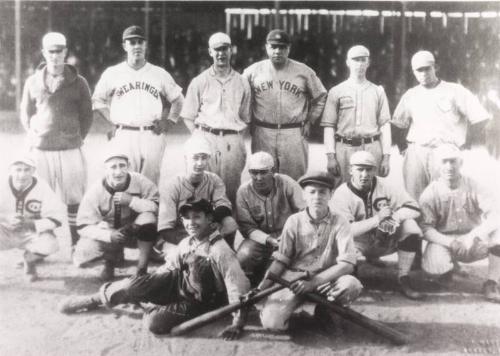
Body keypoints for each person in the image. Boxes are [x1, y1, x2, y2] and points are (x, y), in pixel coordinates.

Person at [59, 199, 251, 340]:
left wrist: (237, 323)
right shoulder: (188, 241)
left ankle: (150, 306)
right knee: (133, 286)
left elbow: (237, 286)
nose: (191, 222)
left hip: (201, 300)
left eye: (197, 217)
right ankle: (95, 299)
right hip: (178, 283)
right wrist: (147, 286)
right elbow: (169, 267)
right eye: (186, 218)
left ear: (209, 219)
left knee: (154, 323)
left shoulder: (220, 250)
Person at [257, 171, 362, 331]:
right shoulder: (294, 221)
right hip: (294, 281)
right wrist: (261, 289)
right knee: (272, 324)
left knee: (351, 285)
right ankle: (293, 314)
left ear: (331, 195)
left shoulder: (341, 222)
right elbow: (281, 260)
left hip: (326, 280)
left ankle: (324, 311)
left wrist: (314, 282)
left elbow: (347, 265)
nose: (317, 197)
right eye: (312, 192)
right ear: (304, 195)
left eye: (323, 192)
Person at [20, 32, 92, 249]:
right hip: (41, 150)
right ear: (44, 53)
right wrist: (33, 133)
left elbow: (87, 115)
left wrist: (76, 136)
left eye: (59, 51)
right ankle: (40, 245)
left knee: (74, 198)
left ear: (66, 52)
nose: (55, 55)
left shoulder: (79, 82)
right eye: (50, 51)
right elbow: (25, 113)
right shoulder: (32, 81)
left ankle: (75, 244)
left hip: (70, 148)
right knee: (40, 198)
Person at [391, 50, 491, 200]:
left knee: (444, 198)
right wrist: (403, 148)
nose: (423, 73)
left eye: (427, 69)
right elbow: (397, 123)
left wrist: (466, 142)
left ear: (435, 67)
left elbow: (480, 118)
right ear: (413, 72)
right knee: (413, 199)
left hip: (445, 151)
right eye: (419, 70)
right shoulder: (411, 95)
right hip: (417, 152)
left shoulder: (455, 90)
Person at [92, 25, 184, 185]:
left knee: (150, 183)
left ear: (146, 45)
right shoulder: (112, 72)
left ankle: (149, 210)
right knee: (124, 181)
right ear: (124, 46)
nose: (136, 46)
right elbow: (97, 100)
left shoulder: (159, 73)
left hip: (152, 133)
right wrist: (112, 120)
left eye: (140, 42)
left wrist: (169, 121)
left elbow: (178, 99)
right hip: (124, 133)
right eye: (132, 42)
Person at [330, 151, 424, 300]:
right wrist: (377, 220)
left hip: (386, 237)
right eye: (360, 169)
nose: (364, 174)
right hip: (358, 243)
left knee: (411, 228)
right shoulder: (341, 193)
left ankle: (403, 277)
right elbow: (345, 230)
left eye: (369, 169)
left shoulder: (386, 185)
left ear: (374, 170)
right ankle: (352, 277)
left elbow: (414, 208)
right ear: (350, 170)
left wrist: (391, 219)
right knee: (338, 242)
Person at [419, 144, 500, 302]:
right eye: (444, 162)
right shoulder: (430, 192)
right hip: (447, 241)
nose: (449, 167)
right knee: (433, 267)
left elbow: (496, 214)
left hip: (474, 240)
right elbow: (426, 228)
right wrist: (450, 242)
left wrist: (473, 236)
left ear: (460, 163)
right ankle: (446, 272)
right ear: (437, 165)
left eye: (453, 161)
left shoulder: (474, 185)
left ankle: (492, 281)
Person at [244, 29, 327, 181]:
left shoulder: (303, 71)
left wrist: (310, 120)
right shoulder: (252, 71)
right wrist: (249, 121)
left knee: (294, 180)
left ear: (289, 49)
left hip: (294, 132)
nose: (277, 51)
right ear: (266, 47)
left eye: (282, 47)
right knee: (262, 179)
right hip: (263, 131)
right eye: (273, 47)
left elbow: (321, 96)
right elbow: (242, 98)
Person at [180, 32, 251, 203]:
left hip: (232, 140)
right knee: (203, 186)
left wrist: (234, 135)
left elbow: (246, 116)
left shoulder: (242, 82)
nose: (221, 53)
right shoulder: (200, 81)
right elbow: (188, 115)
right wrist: (199, 137)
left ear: (231, 50)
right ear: (210, 52)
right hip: (206, 137)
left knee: (231, 189)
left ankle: (228, 227)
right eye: (216, 49)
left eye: (225, 48)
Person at [72, 150, 159, 280]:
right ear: (105, 169)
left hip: (136, 230)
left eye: (122, 165)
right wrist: (108, 235)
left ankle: (142, 268)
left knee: (149, 217)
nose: (118, 172)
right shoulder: (95, 191)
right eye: (113, 167)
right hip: (111, 232)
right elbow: (83, 225)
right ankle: (110, 262)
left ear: (128, 166)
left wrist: (132, 201)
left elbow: (157, 207)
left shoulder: (140, 181)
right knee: (84, 252)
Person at [321, 45, 391, 183]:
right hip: (344, 148)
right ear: (348, 62)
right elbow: (329, 126)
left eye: (363, 60)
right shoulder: (336, 91)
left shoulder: (378, 91)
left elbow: (385, 126)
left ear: (368, 62)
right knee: (342, 190)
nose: (359, 64)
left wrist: (386, 157)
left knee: (371, 189)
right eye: (355, 60)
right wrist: (330, 156)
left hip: (371, 146)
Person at [157, 136, 237, 254]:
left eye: (204, 158)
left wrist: (205, 233)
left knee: (230, 223)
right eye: (195, 158)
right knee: (185, 257)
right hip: (178, 234)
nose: (199, 163)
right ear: (186, 158)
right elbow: (165, 229)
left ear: (208, 158)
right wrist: (195, 242)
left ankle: (228, 252)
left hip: (203, 230)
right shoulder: (172, 185)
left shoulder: (214, 179)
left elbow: (224, 207)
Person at [235, 151, 305, 285]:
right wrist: (269, 240)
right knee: (243, 257)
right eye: (254, 172)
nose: (259, 177)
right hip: (260, 240)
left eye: (263, 172)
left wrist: (289, 236)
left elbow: (304, 213)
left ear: (273, 170)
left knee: (286, 269)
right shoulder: (243, 191)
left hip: (290, 237)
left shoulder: (287, 183)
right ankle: (249, 286)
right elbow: (247, 227)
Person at [0, 154, 65, 282]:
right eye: (18, 169)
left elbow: (57, 217)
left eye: (26, 170)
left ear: (33, 171)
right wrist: (5, 218)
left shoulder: (42, 187)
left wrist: (31, 223)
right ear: (10, 170)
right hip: (5, 230)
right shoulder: (2, 184)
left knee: (50, 245)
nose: (22, 175)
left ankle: (29, 261)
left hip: (30, 232)